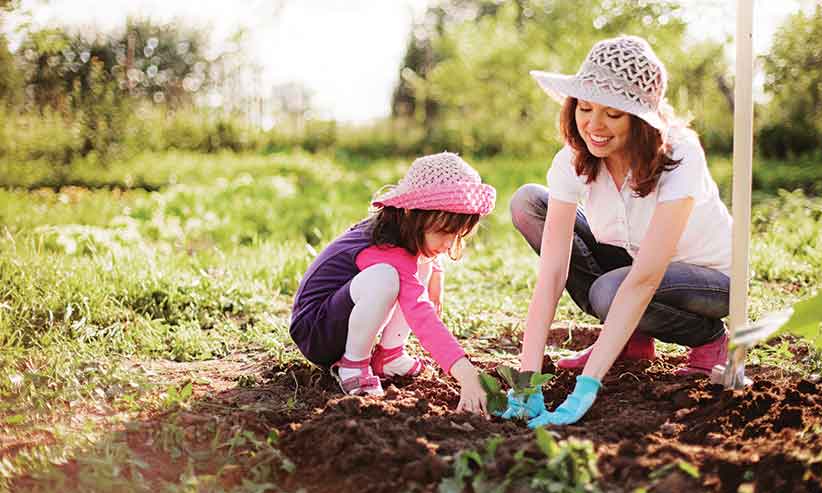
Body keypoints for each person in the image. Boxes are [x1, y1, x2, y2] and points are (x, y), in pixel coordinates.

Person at [504, 35, 732, 427]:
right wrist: (527, 380)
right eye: (585, 107)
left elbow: (643, 279)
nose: (594, 125)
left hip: (708, 281)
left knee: (610, 293)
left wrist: (587, 386)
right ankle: (630, 340)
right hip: (633, 262)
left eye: (613, 114)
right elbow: (553, 273)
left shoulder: (679, 155)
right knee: (529, 203)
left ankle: (709, 339)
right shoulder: (575, 160)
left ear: (640, 119)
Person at [289, 152, 495, 414]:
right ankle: (353, 365)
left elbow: (422, 264)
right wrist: (466, 374)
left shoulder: (402, 233)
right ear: (411, 213)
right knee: (386, 277)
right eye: (444, 232)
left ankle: (389, 355)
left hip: (340, 319)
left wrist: (436, 273)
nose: (448, 244)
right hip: (317, 331)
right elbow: (421, 315)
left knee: (421, 262)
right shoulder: (383, 247)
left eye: (457, 234)